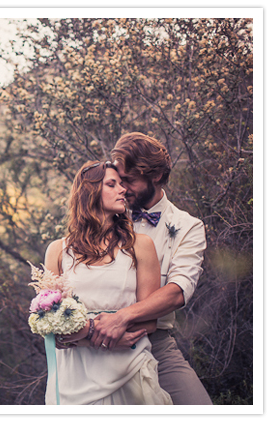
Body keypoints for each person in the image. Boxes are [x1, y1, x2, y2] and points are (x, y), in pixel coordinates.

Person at [88, 132, 212, 405]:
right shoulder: (108, 214)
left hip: (156, 343)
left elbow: (178, 292)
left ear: (154, 176)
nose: (123, 188)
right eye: (118, 181)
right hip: (99, 343)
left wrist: (121, 318)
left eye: (129, 181)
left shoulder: (188, 227)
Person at [43, 160, 172, 405]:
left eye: (122, 184)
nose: (122, 190)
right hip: (75, 375)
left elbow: (150, 321)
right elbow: (50, 323)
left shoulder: (140, 245)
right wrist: (95, 336)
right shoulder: (58, 251)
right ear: (89, 192)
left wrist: (95, 333)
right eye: (111, 184)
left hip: (128, 366)